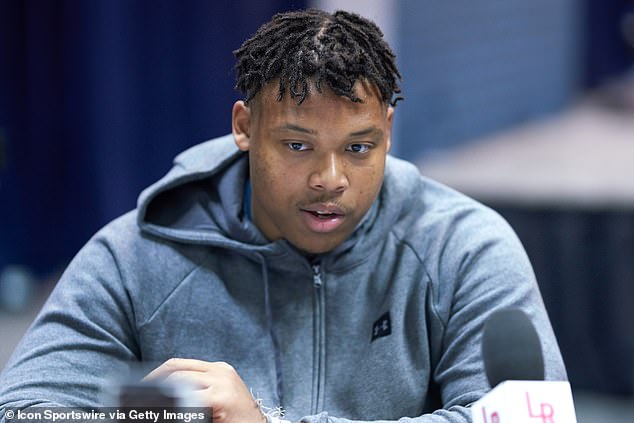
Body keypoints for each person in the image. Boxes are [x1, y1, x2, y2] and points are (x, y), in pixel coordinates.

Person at [0, 9, 567, 423]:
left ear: (389, 132)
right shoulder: (136, 255)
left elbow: (525, 418)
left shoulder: (463, 248)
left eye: (359, 147)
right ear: (244, 127)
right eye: (298, 146)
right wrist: (144, 416)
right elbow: (23, 410)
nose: (330, 178)